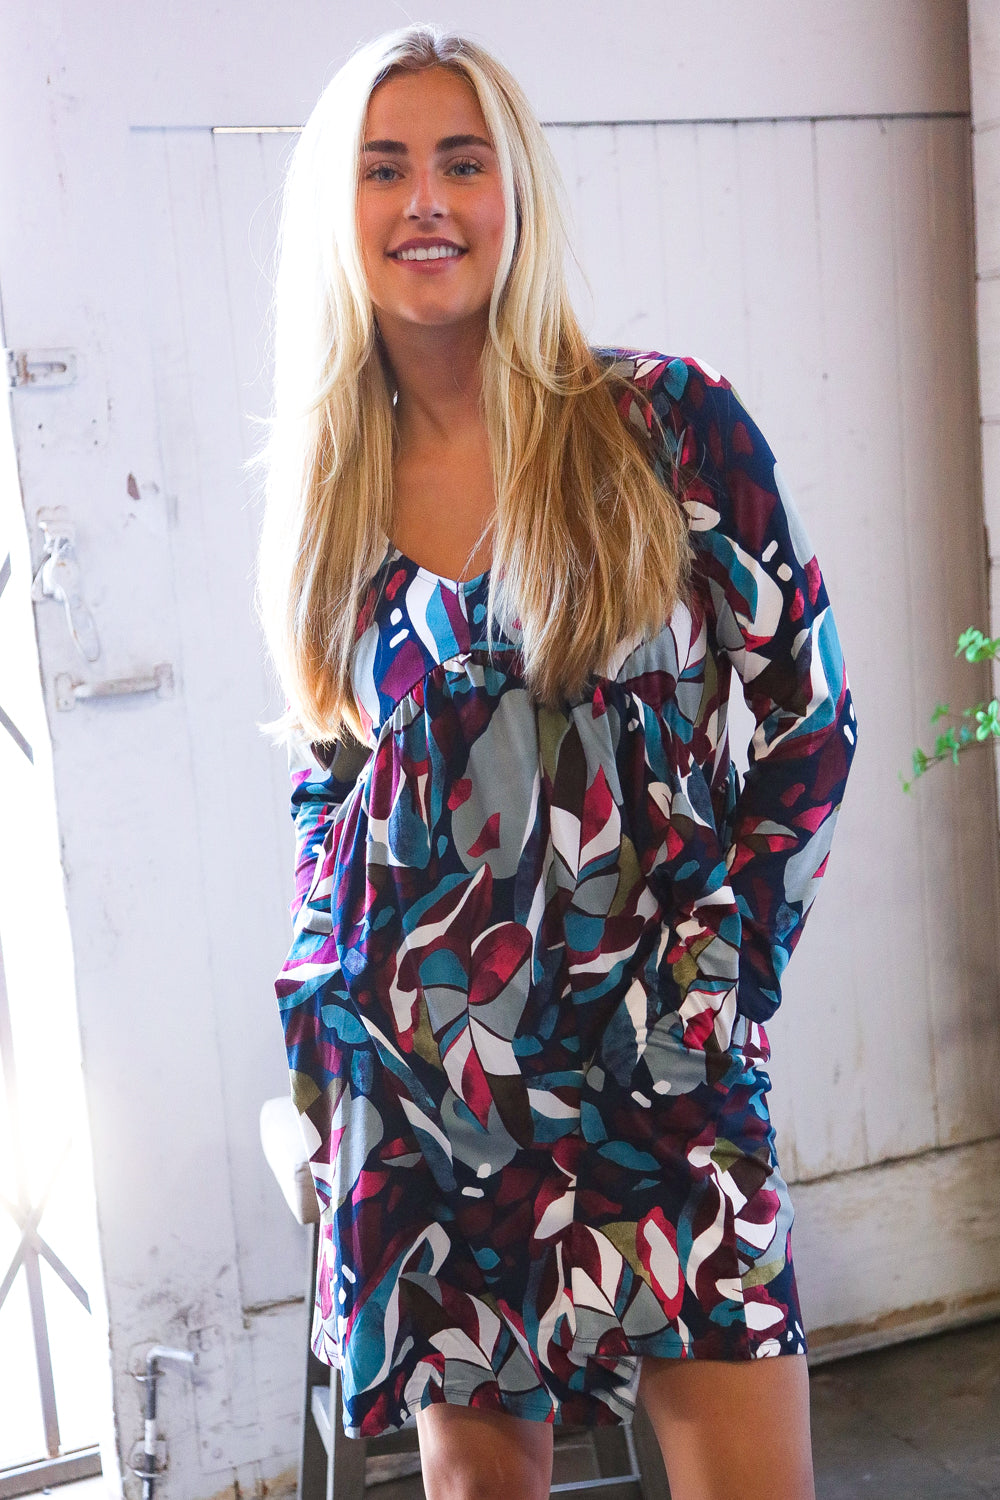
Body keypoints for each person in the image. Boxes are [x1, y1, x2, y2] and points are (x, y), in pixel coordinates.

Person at [258, 24, 856, 1500]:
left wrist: (730, 975)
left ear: (515, 191)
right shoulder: (328, 495)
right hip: (434, 1088)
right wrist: (327, 1039)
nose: (426, 203)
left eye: (463, 162)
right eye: (383, 167)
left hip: (667, 1061)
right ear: (338, 210)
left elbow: (808, 710)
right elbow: (332, 784)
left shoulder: (663, 423)